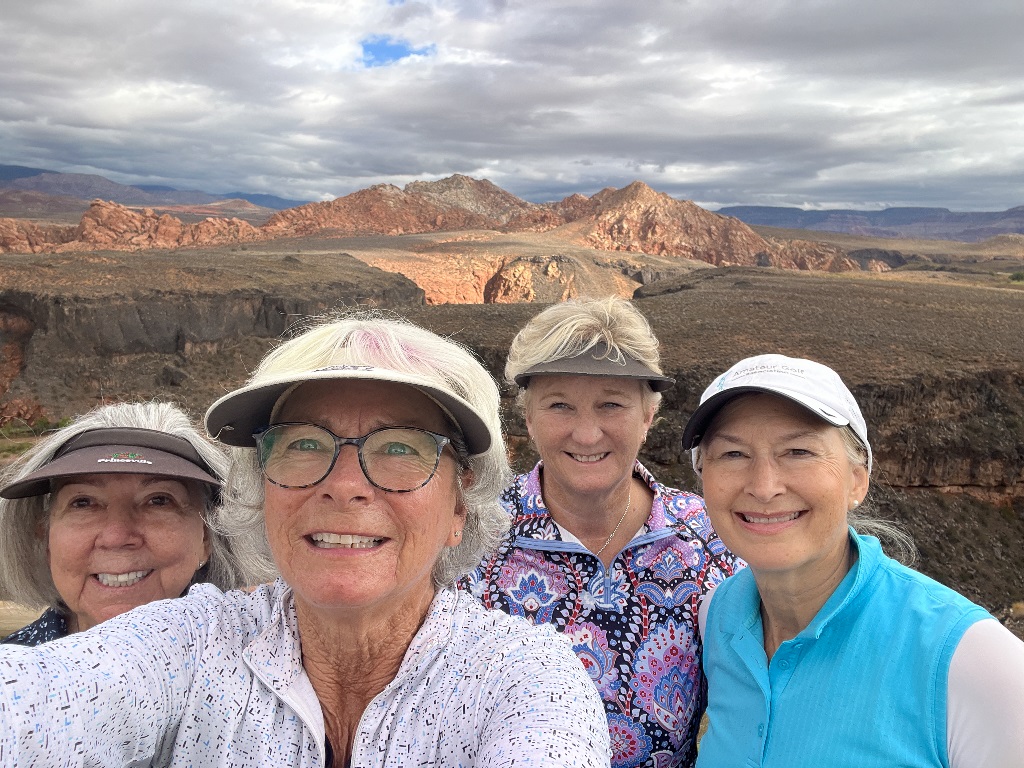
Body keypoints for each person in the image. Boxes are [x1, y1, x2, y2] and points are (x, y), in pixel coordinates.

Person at [0, 314, 610, 767]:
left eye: (401, 448)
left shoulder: (522, 680)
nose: (343, 486)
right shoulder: (191, 643)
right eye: (304, 444)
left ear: (459, 505)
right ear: (260, 489)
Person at [683, 353, 1024, 767]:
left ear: (857, 480)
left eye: (798, 451)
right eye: (733, 454)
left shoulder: (973, 663)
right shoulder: (718, 617)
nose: (764, 486)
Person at [464, 297, 739, 768]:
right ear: (528, 418)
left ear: (648, 416)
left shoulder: (710, 537)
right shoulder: (469, 535)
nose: (587, 434)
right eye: (560, 406)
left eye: (611, 404)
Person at [0, 401, 270, 645]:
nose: (116, 537)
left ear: (207, 536)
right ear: (46, 535)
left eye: (158, 501)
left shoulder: (271, 667)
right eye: (83, 502)